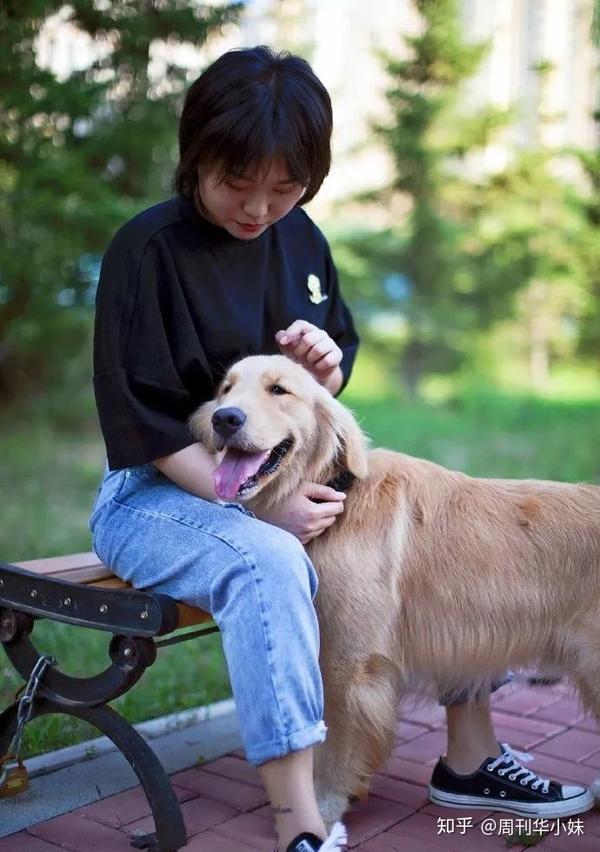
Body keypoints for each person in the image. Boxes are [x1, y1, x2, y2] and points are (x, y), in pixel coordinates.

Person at [89, 46, 592, 852]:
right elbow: (139, 423)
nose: (258, 209)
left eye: (284, 189)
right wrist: (254, 505)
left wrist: (325, 362)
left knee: (453, 519)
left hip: (277, 474)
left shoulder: (301, 238)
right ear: (196, 159)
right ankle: (303, 813)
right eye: (236, 184)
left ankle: (470, 758)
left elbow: (328, 372)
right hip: (159, 492)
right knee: (269, 561)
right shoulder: (146, 251)